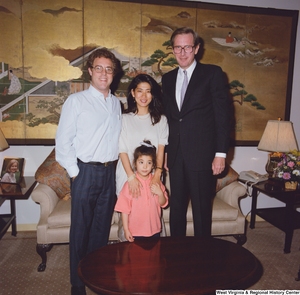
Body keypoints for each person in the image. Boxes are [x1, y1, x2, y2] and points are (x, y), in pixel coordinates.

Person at [55, 48, 122, 295]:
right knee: (80, 231)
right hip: (84, 172)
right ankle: (77, 284)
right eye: (99, 68)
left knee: (100, 231)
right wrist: (75, 173)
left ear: (113, 74)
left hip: (109, 174)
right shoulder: (76, 101)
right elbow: (63, 142)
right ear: (90, 71)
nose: (103, 73)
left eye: (109, 69)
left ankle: (95, 277)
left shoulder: (117, 104)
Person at [161, 27, 231, 238]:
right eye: (178, 47)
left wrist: (220, 154)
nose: (182, 52)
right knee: (177, 210)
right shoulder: (168, 78)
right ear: (173, 50)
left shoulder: (212, 74)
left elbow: (223, 116)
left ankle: (203, 256)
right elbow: (168, 118)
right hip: (175, 155)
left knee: (201, 211)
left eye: (188, 47)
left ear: (197, 48)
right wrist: (164, 152)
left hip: (203, 155)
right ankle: (177, 253)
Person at [116, 74, 168, 198]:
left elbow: (161, 151)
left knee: (150, 213)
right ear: (133, 93)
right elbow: (122, 151)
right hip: (127, 175)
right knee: (127, 213)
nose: (144, 96)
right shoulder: (124, 119)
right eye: (140, 91)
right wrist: (131, 177)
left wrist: (156, 175)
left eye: (148, 92)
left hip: (152, 174)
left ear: (153, 95)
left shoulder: (161, 120)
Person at [115, 141, 168, 242]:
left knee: (154, 257)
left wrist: (160, 193)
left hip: (154, 231)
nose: (145, 166)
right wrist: (126, 230)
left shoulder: (156, 183)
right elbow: (124, 210)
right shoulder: (130, 185)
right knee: (137, 257)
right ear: (135, 164)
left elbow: (163, 204)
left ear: (153, 165)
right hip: (135, 232)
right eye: (141, 162)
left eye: (149, 163)